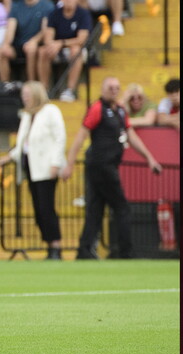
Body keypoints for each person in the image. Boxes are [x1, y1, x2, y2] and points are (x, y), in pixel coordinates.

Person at [61, 77, 162, 259]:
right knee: (122, 207)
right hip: (101, 165)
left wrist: (150, 158)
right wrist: (70, 163)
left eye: (117, 88)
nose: (114, 91)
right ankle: (125, 251)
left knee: (95, 209)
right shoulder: (97, 108)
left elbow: (131, 136)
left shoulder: (121, 110)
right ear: (102, 89)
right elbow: (81, 136)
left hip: (108, 165)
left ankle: (84, 250)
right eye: (110, 87)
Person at [0, 81, 66, 259]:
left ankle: (55, 246)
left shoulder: (51, 111)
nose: (24, 98)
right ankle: (50, 245)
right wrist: (9, 157)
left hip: (46, 167)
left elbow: (60, 138)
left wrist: (56, 163)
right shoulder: (27, 115)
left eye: (27, 94)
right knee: (39, 208)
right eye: (23, 95)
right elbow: (22, 144)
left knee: (46, 207)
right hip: (32, 168)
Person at [0, 0, 55, 83]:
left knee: (31, 49)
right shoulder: (16, 6)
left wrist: (34, 41)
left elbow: (45, 29)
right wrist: (6, 44)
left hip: (38, 44)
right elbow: (11, 27)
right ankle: (5, 85)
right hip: (19, 45)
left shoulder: (47, 5)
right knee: (1, 51)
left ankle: (31, 84)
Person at [39, 0, 92, 101]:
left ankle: (70, 90)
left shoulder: (83, 14)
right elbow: (48, 37)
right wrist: (52, 45)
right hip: (58, 48)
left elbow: (81, 40)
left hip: (73, 48)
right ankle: (44, 90)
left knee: (76, 50)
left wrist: (61, 43)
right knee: (43, 51)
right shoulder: (54, 13)